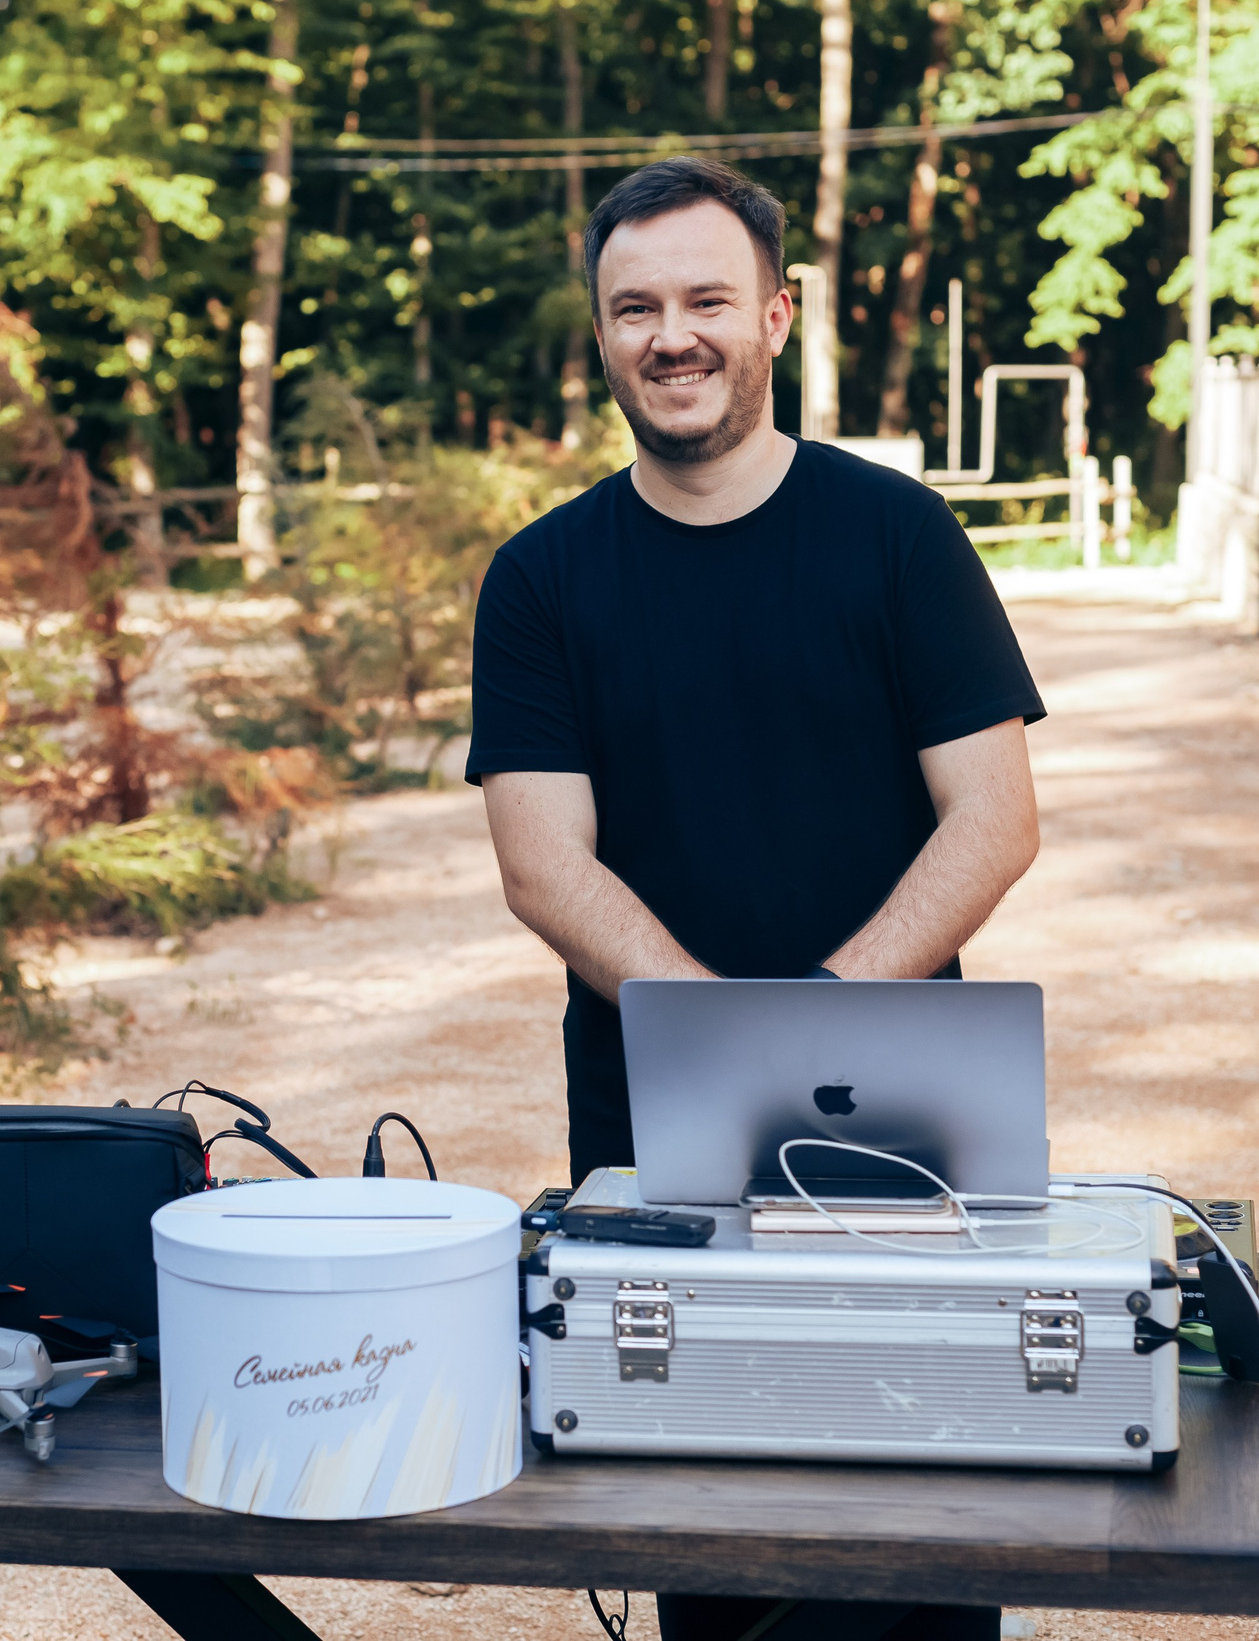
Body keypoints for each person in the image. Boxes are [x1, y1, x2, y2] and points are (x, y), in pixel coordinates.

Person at [463, 156, 1044, 1641]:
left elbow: (994, 821)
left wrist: (824, 1021)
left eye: (708, 299)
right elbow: (542, 863)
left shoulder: (898, 535)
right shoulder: (538, 582)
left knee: (926, 1527)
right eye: (635, 307)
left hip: (913, 1114)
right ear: (601, 336)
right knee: (711, 1537)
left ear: (776, 314)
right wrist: (723, 1040)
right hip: (659, 1122)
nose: (674, 336)